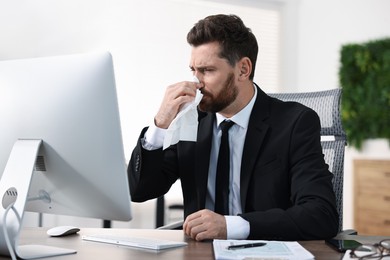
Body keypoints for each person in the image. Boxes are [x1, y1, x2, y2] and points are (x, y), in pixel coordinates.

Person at [128, 14, 339, 241]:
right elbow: (139, 191)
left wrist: (231, 226)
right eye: (193, 70)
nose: (197, 82)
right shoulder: (192, 121)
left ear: (243, 69)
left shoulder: (294, 123)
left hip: (265, 252)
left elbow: (320, 214)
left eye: (207, 70)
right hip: (199, 254)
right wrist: (160, 124)